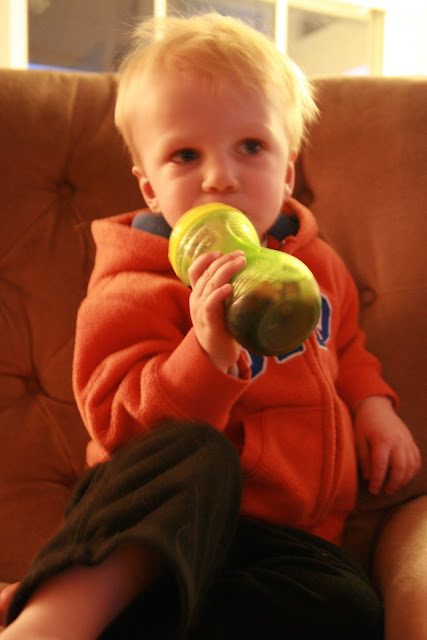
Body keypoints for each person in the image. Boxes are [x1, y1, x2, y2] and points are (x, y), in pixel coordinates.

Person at [1, 13, 421, 640]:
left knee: (349, 607)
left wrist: (373, 407)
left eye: (250, 147)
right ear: (150, 188)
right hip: (157, 521)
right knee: (200, 452)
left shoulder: (317, 267)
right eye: (185, 155)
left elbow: (348, 347)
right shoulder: (134, 283)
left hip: (289, 539)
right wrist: (204, 352)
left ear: (286, 172)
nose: (220, 176)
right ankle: (55, 619)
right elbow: (121, 426)